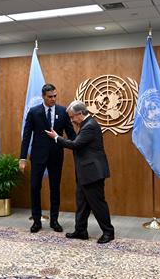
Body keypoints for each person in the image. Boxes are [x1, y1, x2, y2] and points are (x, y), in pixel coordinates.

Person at [45, 100, 115, 244]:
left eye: (72, 117)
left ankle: (108, 232)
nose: (71, 120)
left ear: (80, 114)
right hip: (85, 172)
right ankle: (81, 230)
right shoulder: (85, 125)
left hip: (93, 173)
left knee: (97, 204)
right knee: (82, 203)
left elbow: (76, 145)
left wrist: (57, 138)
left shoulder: (90, 126)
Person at [20, 84, 76, 233]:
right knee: (34, 187)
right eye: (50, 96)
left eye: (55, 96)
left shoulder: (62, 111)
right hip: (38, 155)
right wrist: (22, 158)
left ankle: (54, 220)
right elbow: (26, 136)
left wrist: (80, 146)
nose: (53, 99)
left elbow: (71, 134)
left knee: (54, 188)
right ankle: (36, 221)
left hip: (56, 155)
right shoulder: (34, 112)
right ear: (43, 96)